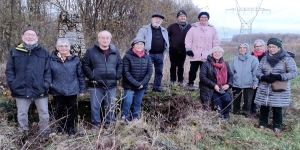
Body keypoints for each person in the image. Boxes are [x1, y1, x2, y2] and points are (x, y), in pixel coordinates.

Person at [5, 28, 51, 137]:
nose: (30, 37)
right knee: (21, 113)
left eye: (33, 35)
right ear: (22, 36)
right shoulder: (14, 51)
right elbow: (9, 70)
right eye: (27, 34)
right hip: (21, 88)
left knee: (44, 113)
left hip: (39, 88)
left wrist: (45, 84)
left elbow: (48, 70)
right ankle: (23, 134)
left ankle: (45, 134)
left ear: (37, 38)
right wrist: (13, 84)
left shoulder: (43, 51)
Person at [254, 38, 297, 137]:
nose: (271, 49)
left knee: (277, 107)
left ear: (279, 47)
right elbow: (258, 72)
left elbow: (294, 73)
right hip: (265, 87)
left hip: (279, 88)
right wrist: (263, 77)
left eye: (273, 47)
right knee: (264, 106)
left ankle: (277, 126)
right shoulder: (265, 58)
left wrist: (279, 76)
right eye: (269, 47)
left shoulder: (287, 58)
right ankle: (262, 124)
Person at [82, 30, 122, 128]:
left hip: (111, 84)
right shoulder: (91, 51)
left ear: (110, 39)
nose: (105, 40)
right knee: (95, 106)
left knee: (111, 105)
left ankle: (109, 123)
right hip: (96, 84)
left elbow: (120, 64)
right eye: (102, 38)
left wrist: (117, 75)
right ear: (98, 39)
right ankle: (95, 124)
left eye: (107, 38)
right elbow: (85, 64)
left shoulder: (115, 51)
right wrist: (92, 76)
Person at [49, 38, 86, 136]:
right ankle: (60, 128)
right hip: (57, 90)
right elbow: (48, 75)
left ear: (69, 47)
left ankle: (70, 128)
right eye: (61, 46)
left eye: (66, 46)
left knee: (72, 110)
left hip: (72, 89)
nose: (63, 48)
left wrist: (82, 89)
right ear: (57, 47)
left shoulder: (75, 59)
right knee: (59, 109)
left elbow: (80, 75)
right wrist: (50, 86)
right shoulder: (51, 59)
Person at [185, 11, 220, 91]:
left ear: (208, 19)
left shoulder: (212, 29)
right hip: (195, 53)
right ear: (199, 18)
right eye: (202, 17)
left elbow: (216, 41)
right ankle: (191, 83)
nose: (203, 19)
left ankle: (203, 85)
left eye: (205, 17)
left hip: (207, 54)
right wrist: (188, 49)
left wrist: (215, 51)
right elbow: (188, 39)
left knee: (205, 71)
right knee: (193, 70)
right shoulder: (193, 28)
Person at [136, 13, 169, 92]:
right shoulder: (144, 29)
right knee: (146, 71)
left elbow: (167, 42)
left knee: (159, 72)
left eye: (160, 19)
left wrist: (165, 52)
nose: (158, 20)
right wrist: (141, 52)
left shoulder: (164, 30)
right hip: (148, 54)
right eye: (156, 18)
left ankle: (156, 87)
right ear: (152, 19)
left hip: (160, 54)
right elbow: (138, 41)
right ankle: (145, 88)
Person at [121, 38, 152, 121]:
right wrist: (136, 84)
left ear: (144, 46)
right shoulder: (127, 56)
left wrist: (142, 83)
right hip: (129, 85)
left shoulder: (147, 57)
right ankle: (125, 118)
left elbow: (149, 72)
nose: (139, 46)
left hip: (142, 85)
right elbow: (126, 72)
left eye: (141, 44)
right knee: (128, 102)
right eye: (137, 44)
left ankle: (135, 119)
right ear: (133, 45)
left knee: (137, 102)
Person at [199, 46, 233, 120]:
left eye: (219, 52)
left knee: (227, 100)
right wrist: (214, 85)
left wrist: (228, 84)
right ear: (212, 54)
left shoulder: (225, 64)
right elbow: (202, 77)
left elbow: (230, 75)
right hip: (210, 88)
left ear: (222, 54)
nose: (217, 53)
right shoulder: (206, 64)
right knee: (217, 101)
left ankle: (226, 117)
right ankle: (219, 118)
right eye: (215, 52)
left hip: (223, 87)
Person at [230, 43, 259, 117]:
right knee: (236, 99)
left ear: (247, 49)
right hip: (236, 83)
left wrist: (255, 82)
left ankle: (245, 113)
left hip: (249, 83)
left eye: (244, 47)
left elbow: (256, 72)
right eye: (240, 47)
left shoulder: (253, 59)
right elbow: (231, 72)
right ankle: (235, 113)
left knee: (248, 100)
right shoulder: (234, 59)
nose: (242, 49)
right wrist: (231, 82)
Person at [167, 10, 191, 87]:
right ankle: (172, 80)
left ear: (186, 17)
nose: (182, 17)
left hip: (183, 50)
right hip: (173, 50)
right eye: (180, 16)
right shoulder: (171, 26)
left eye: (184, 16)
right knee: (173, 65)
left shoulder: (189, 27)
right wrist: (169, 45)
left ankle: (181, 80)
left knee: (181, 66)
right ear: (178, 17)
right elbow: (166, 36)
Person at [250, 39, 266, 117]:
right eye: (256, 46)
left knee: (263, 96)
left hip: (263, 78)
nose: (258, 48)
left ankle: (263, 113)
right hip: (253, 78)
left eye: (260, 46)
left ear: (263, 46)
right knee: (253, 95)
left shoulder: (266, 55)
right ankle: (253, 111)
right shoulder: (251, 55)